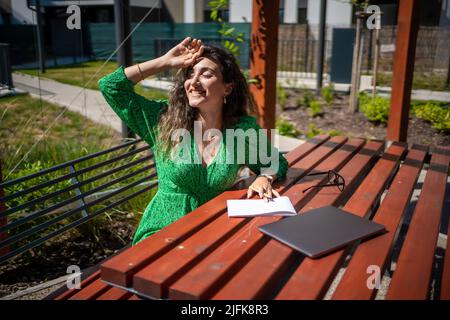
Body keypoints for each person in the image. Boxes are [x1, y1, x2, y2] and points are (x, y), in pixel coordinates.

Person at [98, 37, 288, 245]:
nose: (194, 82)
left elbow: (275, 161)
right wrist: (164, 62)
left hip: (214, 231)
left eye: (206, 74)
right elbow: (111, 87)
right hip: (162, 235)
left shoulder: (240, 130)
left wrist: (265, 177)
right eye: (190, 74)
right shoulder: (163, 120)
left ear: (227, 88)